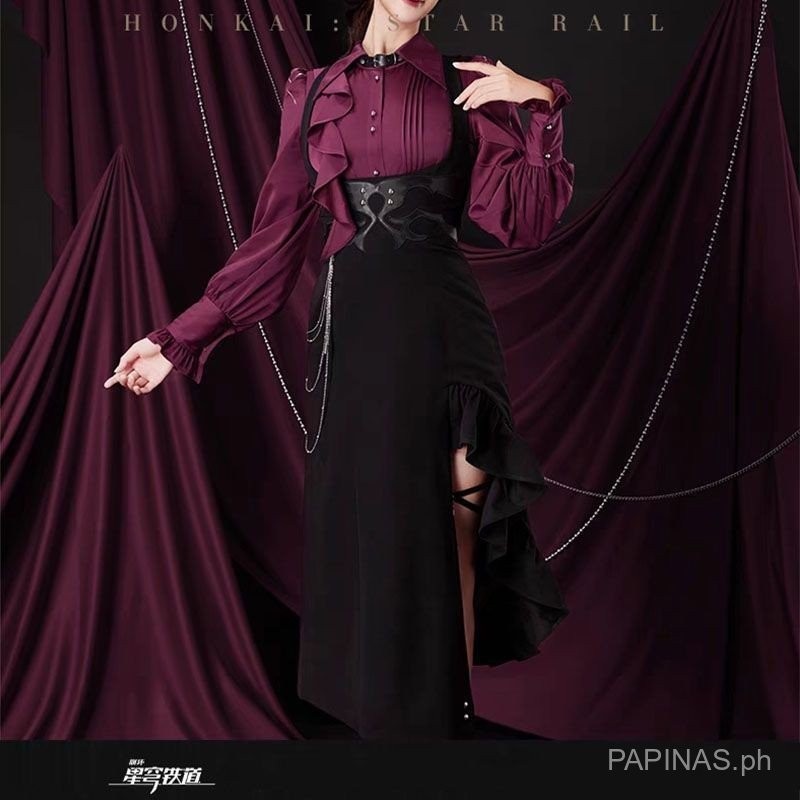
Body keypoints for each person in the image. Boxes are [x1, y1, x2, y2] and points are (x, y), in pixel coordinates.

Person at [104, 0, 575, 740]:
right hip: (352, 337)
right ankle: (384, 729)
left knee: (455, 525)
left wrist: (539, 103)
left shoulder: (468, 81)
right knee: (374, 526)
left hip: (446, 334)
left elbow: (525, 220)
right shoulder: (316, 91)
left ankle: (441, 727)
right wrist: (176, 340)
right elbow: (276, 238)